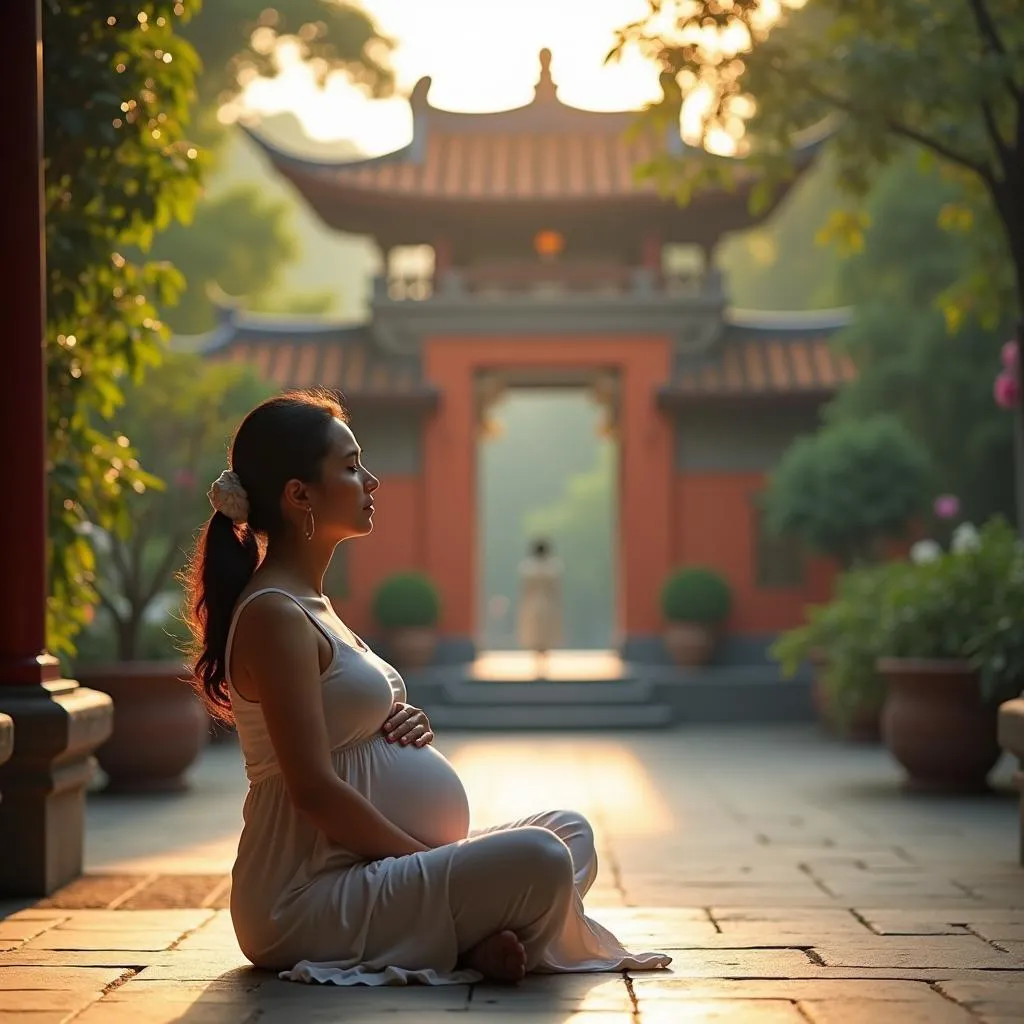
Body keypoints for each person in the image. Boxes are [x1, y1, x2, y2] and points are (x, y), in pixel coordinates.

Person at [182, 388, 670, 986]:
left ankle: (470, 939)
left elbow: (344, 725)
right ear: (298, 495)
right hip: (307, 896)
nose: (373, 481)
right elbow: (312, 791)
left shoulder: (314, 605)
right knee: (540, 859)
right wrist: (433, 865)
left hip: (373, 870)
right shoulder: (274, 615)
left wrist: (398, 720)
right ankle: (472, 937)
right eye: (352, 466)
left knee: (568, 831)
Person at [517, 538, 564, 678]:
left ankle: (538, 664)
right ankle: (543, 664)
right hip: (548, 604)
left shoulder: (527, 568)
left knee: (536, 633)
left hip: (533, 604)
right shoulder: (553, 568)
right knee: (545, 633)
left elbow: (524, 589)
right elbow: (557, 589)